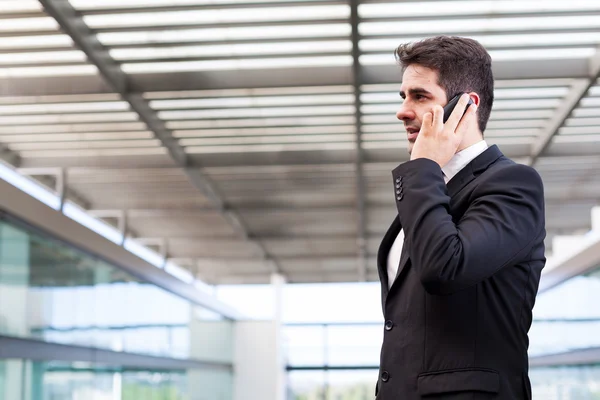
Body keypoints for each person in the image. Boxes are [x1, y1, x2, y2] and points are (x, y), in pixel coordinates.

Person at [375, 36, 546, 400]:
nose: (402, 111)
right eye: (402, 97)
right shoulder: (431, 189)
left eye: (419, 97)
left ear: (465, 106)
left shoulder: (512, 184)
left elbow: (445, 268)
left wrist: (422, 166)